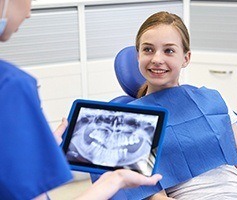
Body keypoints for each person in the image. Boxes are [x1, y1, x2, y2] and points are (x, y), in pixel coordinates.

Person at [105, 11, 237, 200]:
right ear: (138, 56)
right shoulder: (130, 120)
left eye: (169, 50)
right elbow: (155, 197)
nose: (157, 59)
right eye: (148, 50)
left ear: (186, 58)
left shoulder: (212, 101)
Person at [0, 0, 161, 199]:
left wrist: (36, 146)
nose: (28, 13)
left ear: (186, 58)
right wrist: (114, 180)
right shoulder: (10, 85)